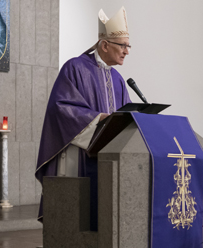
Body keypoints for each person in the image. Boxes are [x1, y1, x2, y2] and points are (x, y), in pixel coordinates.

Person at [35, 7, 132, 231]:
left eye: (128, 46)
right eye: (123, 46)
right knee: (75, 224)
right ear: (105, 45)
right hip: (77, 156)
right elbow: (59, 109)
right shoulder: (74, 68)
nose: (127, 51)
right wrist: (100, 119)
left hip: (108, 159)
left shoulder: (117, 79)